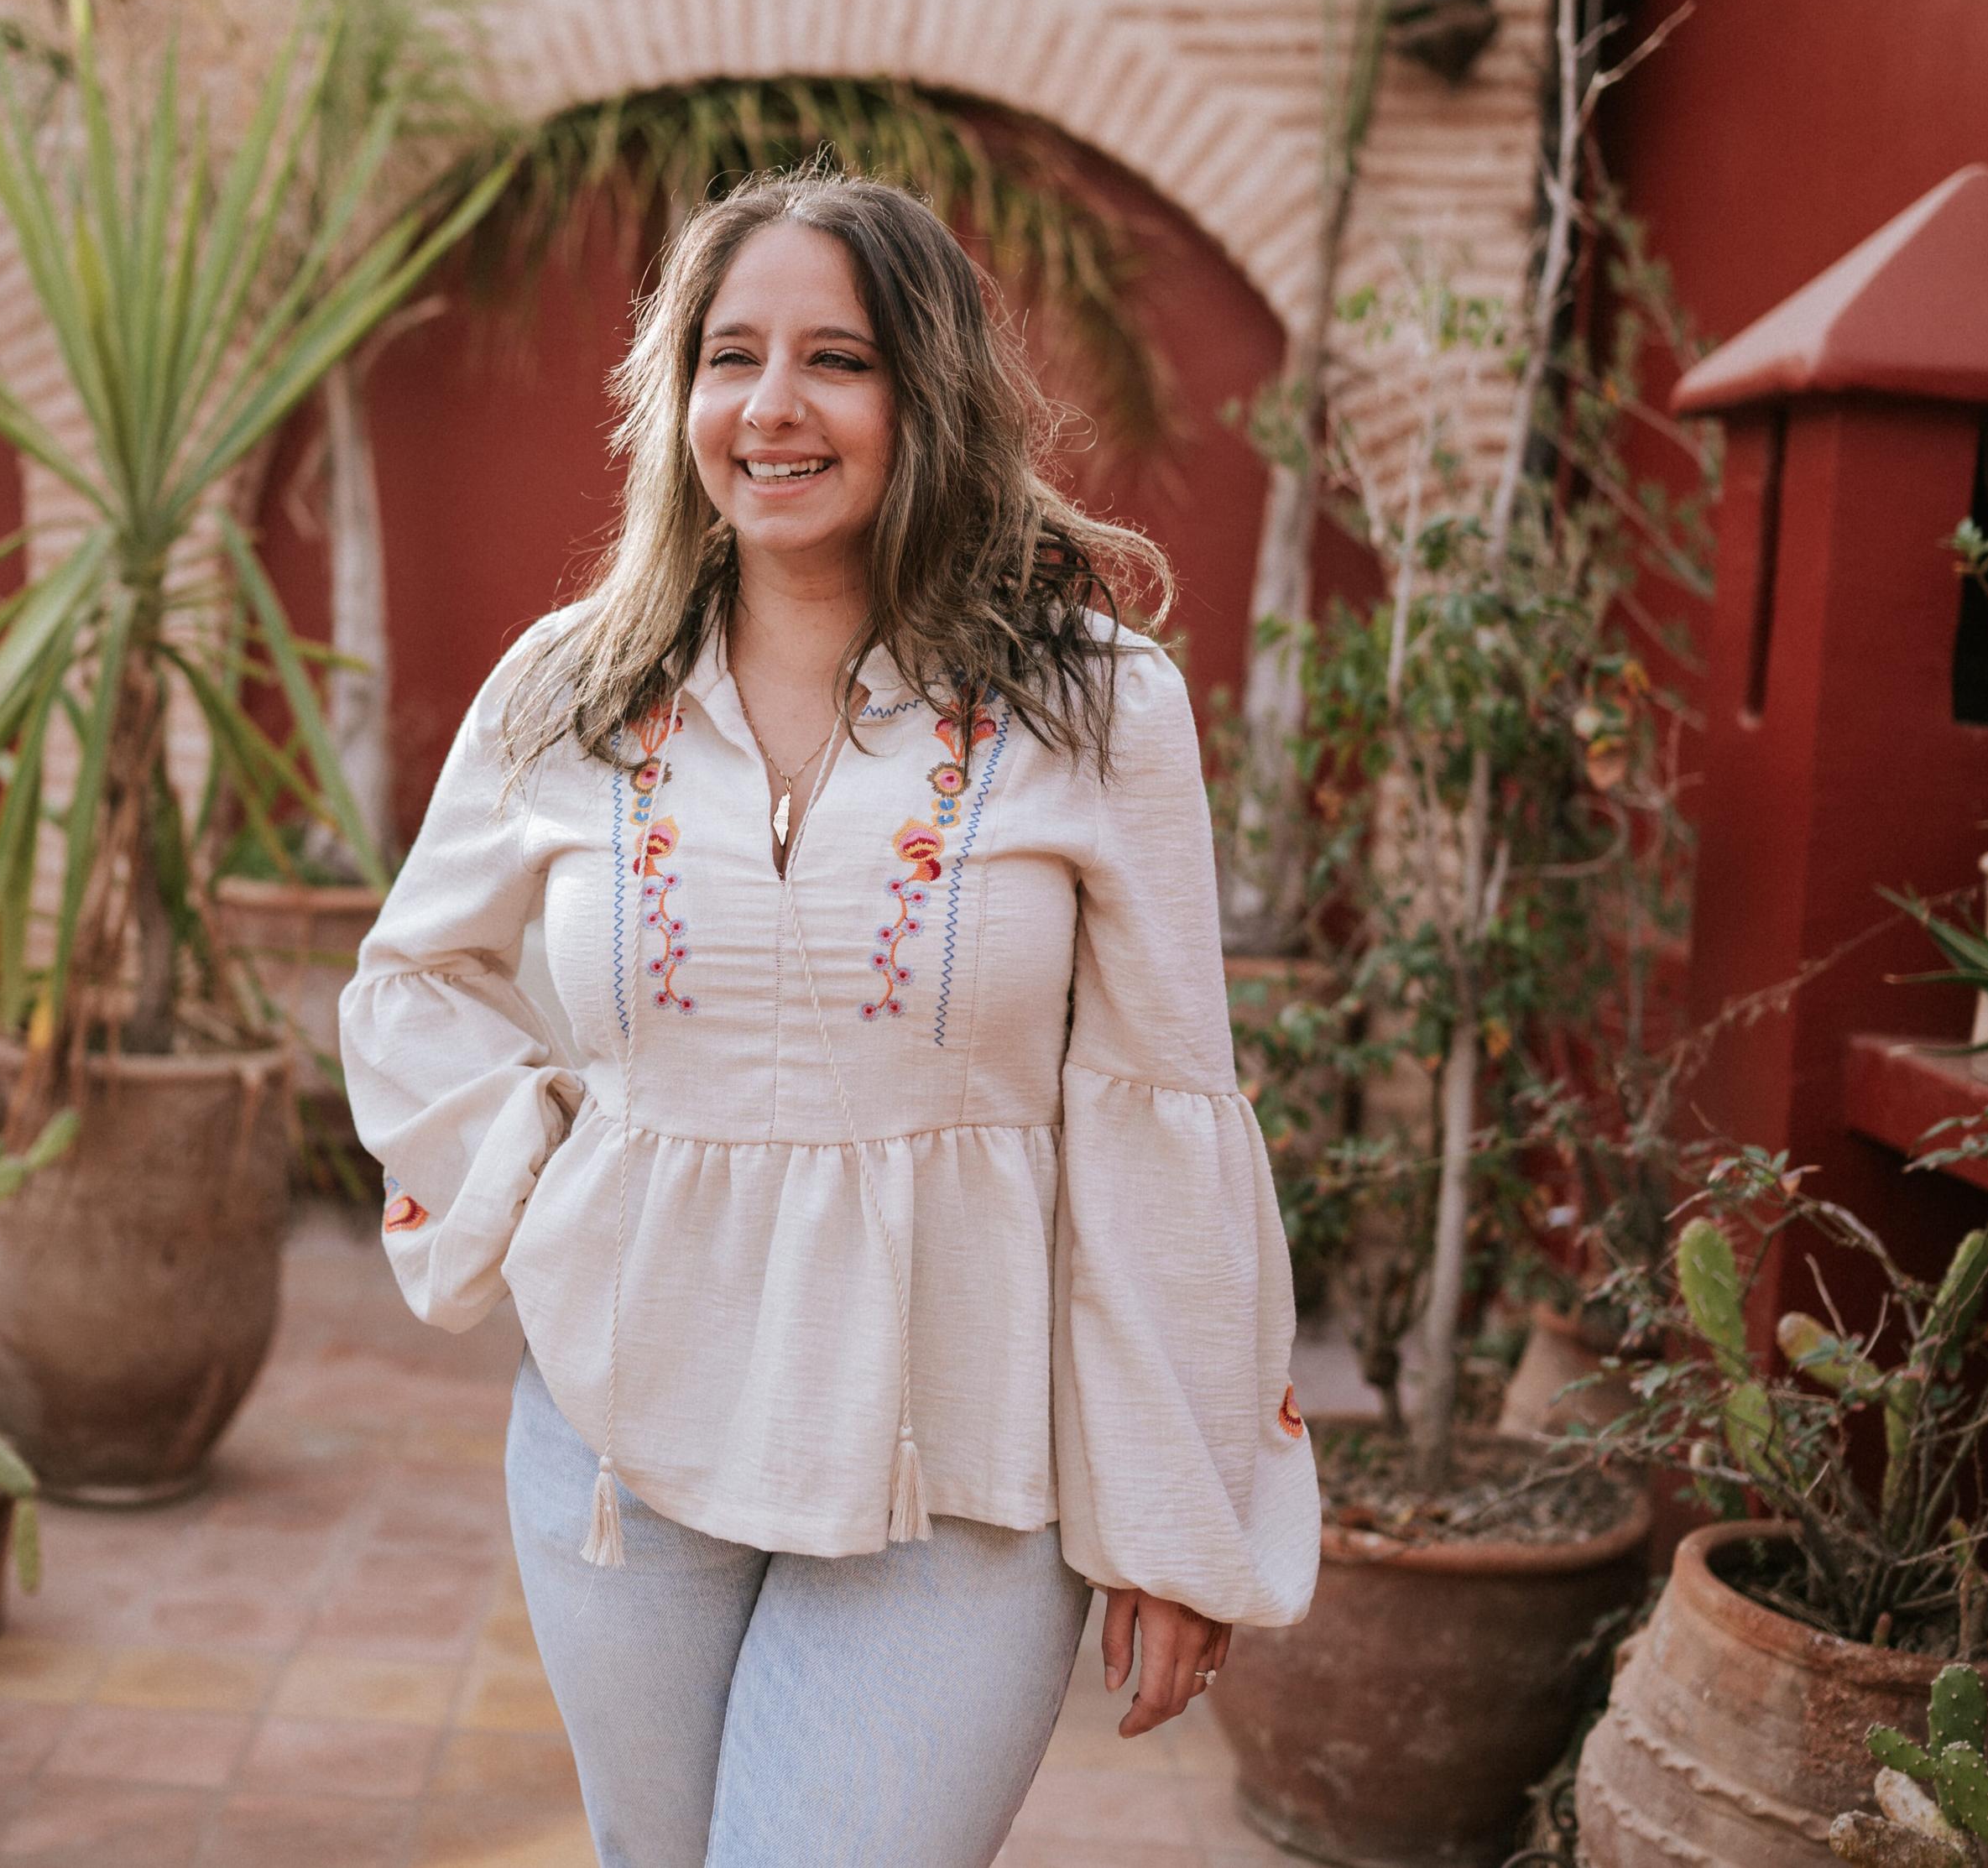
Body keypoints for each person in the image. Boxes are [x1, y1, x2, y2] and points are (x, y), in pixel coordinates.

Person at [338, 169, 1318, 1868]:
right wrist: (542, 1181)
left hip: (962, 1460)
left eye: (836, 360)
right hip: (619, 1447)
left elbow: (1162, 1108)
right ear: (677, 400)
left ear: (925, 395)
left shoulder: (1097, 710)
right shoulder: (568, 690)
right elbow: (412, 980)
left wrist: (1174, 1512)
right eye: (730, 355)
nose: (772, 407)